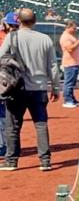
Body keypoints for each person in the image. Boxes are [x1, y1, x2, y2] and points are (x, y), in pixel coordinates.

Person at [0, 9, 60, 172]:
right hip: (39, 88)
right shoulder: (45, 39)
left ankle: (11, 161)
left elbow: (0, 57)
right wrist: (55, 87)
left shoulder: (12, 37)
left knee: (12, 126)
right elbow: (53, 66)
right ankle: (45, 161)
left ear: (19, 20)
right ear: (35, 21)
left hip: (17, 88)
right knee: (41, 124)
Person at [0, 12, 19, 158]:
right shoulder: (20, 36)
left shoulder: (7, 37)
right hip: (16, 80)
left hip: (6, 80)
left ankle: (5, 146)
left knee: (4, 115)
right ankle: (10, 145)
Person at [59, 19, 79, 108]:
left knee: (72, 83)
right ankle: (67, 100)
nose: (76, 30)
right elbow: (70, 49)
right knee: (69, 83)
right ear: (68, 27)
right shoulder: (65, 37)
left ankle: (72, 99)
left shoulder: (71, 36)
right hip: (69, 63)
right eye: (74, 28)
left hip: (75, 62)